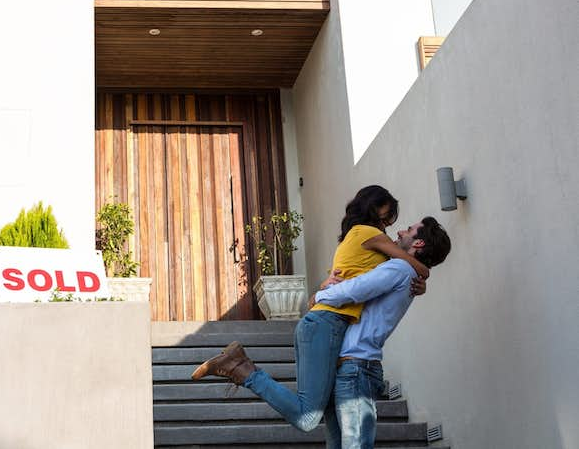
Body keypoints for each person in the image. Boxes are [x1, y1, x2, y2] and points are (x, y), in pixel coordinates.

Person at [191, 186, 430, 434]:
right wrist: (425, 272)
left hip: (324, 324)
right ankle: (242, 369)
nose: (388, 227)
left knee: (327, 424)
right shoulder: (368, 233)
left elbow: (363, 277)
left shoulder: (357, 236)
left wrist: (323, 289)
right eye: (386, 218)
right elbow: (411, 265)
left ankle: (241, 367)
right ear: (374, 209)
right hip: (327, 324)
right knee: (307, 417)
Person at [313, 216, 451, 449]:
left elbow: (356, 289)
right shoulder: (406, 270)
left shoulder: (399, 268)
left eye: (409, 230)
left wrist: (318, 296)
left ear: (418, 244)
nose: (398, 233)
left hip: (357, 367)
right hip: (349, 366)